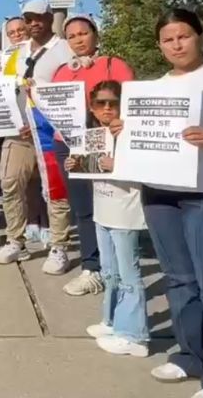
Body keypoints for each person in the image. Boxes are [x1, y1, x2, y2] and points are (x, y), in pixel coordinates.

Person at [129, 9, 203, 394]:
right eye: (168, 39)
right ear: (160, 46)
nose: (176, 45)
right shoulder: (153, 88)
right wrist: (125, 129)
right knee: (178, 278)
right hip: (160, 191)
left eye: (183, 36)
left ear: (200, 37)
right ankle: (189, 355)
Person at [63, 80, 149, 358]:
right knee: (109, 272)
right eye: (101, 103)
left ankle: (135, 336)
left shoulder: (134, 133)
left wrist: (120, 162)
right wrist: (75, 165)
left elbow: (148, 168)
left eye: (113, 102)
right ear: (92, 107)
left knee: (129, 275)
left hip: (126, 213)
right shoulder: (93, 135)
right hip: (102, 210)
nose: (107, 108)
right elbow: (92, 169)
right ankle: (111, 321)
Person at [51, 13, 135, 296]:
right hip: (70, 144)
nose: (78, 40)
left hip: (107, 143)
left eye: (83, 33)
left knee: (113, 206)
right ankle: (92, 268)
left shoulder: (115, 65)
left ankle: (118, 269)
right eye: (71, 36)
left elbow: (132, 104)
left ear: (96, 35)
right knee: (84, 207)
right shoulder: (62, 71)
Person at [0, 0, 75, 272]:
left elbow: (70, 95)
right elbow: (5, 86)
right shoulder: (16, 51)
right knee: (10, 182)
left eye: (39, 17)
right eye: (28, 18)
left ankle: (59, 246)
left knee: (55, 190)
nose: (33, 23)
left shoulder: (65, 49)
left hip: (51, 132)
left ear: (50, 18)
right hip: (18, 130)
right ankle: (16, 241)